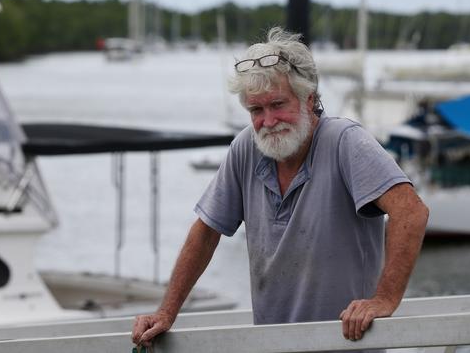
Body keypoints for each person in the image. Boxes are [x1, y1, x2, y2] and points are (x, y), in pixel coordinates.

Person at [132, 27, 428, 347]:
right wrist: (166, 312)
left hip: (347, 345)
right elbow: (206, 232)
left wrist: (384, 299)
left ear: (309, 99)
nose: (268, 121)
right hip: (274, 344)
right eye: (257, 110)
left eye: (277, 104)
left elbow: (411, 212)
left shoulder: (344, 141)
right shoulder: (247, 147)